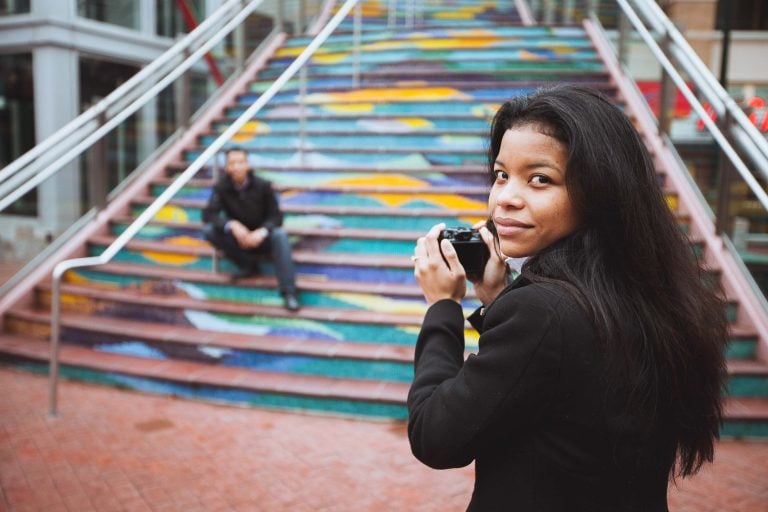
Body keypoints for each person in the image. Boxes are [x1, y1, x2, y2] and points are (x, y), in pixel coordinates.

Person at [407, 86, 728, 511]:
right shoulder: (644, 290)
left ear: (600, 191)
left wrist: (443, 306)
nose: (506, 197)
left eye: (540, 179)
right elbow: (563, 379)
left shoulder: (544, 313)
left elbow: (436, 436)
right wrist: (498, 295)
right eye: (502, 175)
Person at [203, 147, 300, 312]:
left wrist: (261, 232)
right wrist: (232, 225)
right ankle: (248, 265)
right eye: (232, 163)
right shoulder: (221, 188)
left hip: (263, 238)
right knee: (209, 231)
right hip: (239, 238)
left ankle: (289, 293)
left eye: (241, 162)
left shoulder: (263, 186)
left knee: (280, 235)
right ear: (227, 167)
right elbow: (209, 215)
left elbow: (277, 217)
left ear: (248, 165)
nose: (237, 167)